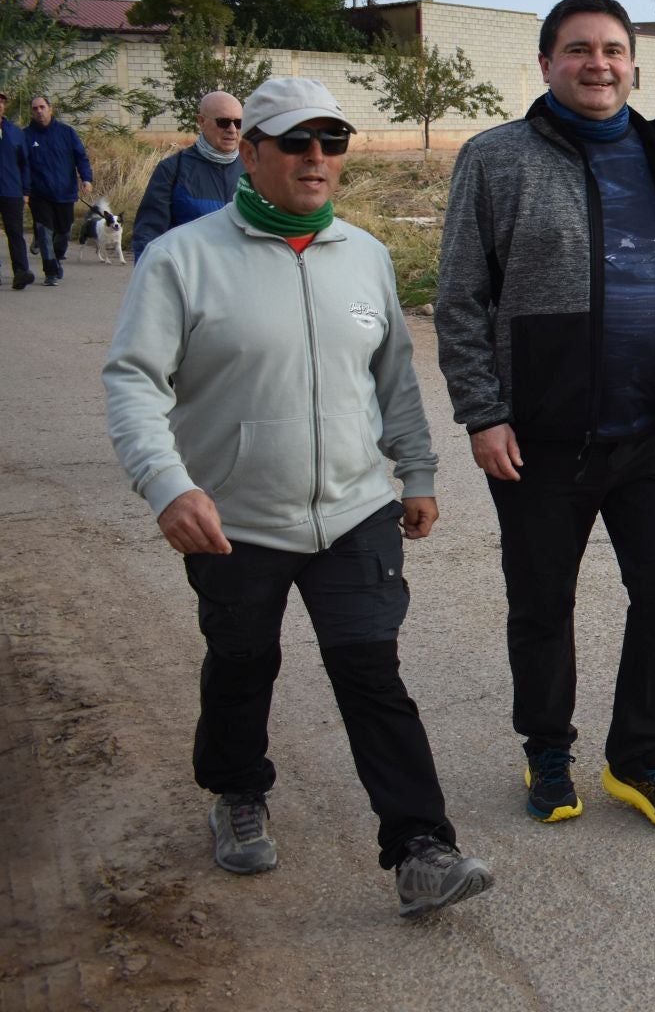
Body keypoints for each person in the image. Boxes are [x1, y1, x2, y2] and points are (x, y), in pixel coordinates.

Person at [102, 76, 493, 918]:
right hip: (234, 519)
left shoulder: (366, 255)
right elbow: (132, 383)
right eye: (295, 142)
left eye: (333, 143)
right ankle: (238, 791)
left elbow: (392, 378)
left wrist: (415, 473)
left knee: (370, 669)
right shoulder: (184, 259)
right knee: (244, 662)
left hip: (355, 511)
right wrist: (167, 485)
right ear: (250, 154)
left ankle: (422, 847)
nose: (318, 159)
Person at [436, 0, 655, 831]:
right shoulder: (497, 158)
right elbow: (459, 299)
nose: (599, 64)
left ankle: (637, 758)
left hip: (648, 431)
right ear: (547, 62)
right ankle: (547, 750)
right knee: (542, 603)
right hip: (541, 437)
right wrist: (483, 413)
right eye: (579, 50)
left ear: (634, 63)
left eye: (613, 50)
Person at [131, 90, 246, 260]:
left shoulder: (255, 171)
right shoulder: (172, 169)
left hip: (241, 280)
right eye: (223, 122)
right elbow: (148, 235)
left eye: (238, 123)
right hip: (192, 281)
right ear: (201, 121)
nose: (232, 129)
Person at [23, 95, 93, 285]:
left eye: (42, 107)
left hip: (64, 191)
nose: (39, 111)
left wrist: (86, 178)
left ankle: (57, 256)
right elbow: (23, 165)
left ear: (50, 109)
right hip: (39, 194)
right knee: (45, 231)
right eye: (35, 108)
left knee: (64, 230)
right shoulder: (27, 136)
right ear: (32, 112)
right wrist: (25, 191)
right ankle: (50, 271)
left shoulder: (66, 133)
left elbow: (81, 156)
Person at [0, 90, 32, 290]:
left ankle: (21, 273)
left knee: (15, 232)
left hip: (11, 190)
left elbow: (25, 163)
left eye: (1, 102)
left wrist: (26, 191)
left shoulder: (15, 132)